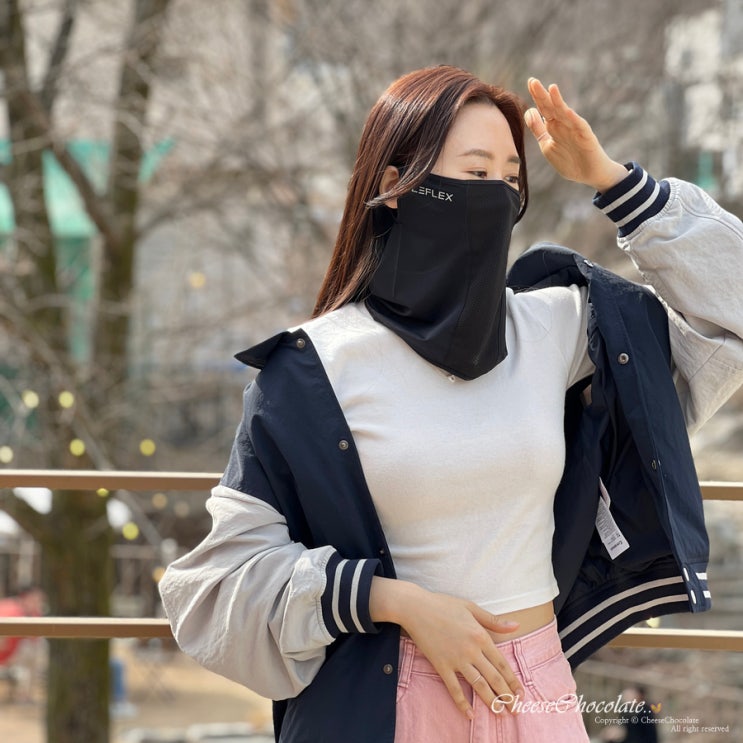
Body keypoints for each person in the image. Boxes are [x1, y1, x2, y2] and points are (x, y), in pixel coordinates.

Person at [159, 66, 743, 742]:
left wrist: (612, 179)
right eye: (474, 173)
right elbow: (214, 586)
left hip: (540, 692)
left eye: (509, 179)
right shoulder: (314, 367)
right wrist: (391, 600)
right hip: (390, 704)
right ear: (396, 187)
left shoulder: (555, 328)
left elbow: (729, 306)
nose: (495, 195)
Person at [0, 585, 44, 702]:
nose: (39, 603)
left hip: (13, 656)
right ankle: (23, 694)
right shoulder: (11, 610)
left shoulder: (33, 614)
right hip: (5, 656)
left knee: (36, 647)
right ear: (26, 597)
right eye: (36, 599)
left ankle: (24, 694)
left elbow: (35, 639)